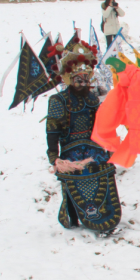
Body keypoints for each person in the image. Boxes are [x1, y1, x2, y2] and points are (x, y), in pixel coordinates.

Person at [46, 42, 122, 238]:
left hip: (94, 147)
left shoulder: (92, 98)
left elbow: (102, 125)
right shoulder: (58, 101)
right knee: (77, 171)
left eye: (86, 79)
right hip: (71, 149)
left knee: (102, 168)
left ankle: (105, 212)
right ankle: (75, 213)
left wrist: (110, 145)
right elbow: (52, 131)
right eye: (78, 79)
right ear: (70, 79)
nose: (83, 83)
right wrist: (54, 156)